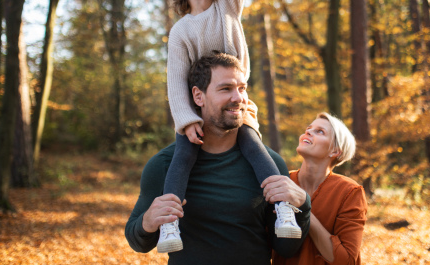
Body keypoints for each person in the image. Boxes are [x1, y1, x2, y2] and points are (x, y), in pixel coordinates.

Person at [160, 0, 301, 253]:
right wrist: (185, 119)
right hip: (199, 107)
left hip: (236, 99)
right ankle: (170, 223)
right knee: (182, 159)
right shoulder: (181, 31)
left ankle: (284, 208)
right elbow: (176, 79)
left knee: (255, 148)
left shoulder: (228, 4)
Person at [125, 53, 311, 264]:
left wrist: (303, 204)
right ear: (198, 96)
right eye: (226, 89)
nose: (238, 98)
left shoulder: (269, 165)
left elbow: (286, 248)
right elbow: (137, 242)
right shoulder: (164, 165)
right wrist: (148, 221)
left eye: (242, 88)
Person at [268, 113, 368, 265]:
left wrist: (304, 208)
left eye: (320, 131)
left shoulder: (349, 192)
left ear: (335, 151)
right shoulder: (282, 182)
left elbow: (346, 261)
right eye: (309, 129)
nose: (308, 132)